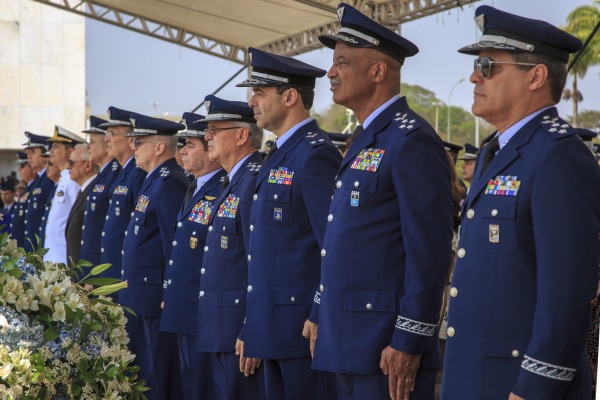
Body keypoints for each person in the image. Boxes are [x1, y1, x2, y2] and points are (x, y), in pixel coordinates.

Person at [441, 6, 600, 400]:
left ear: (536, 76)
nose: (475, 76)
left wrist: (537, 385)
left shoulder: (559, 156)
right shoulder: (497, 152)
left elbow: (567, 291)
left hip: (518, 384)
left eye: (488, 65)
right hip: (473, 372)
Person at [311, 4, 454, 400]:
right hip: (347, 339)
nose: (331, 72)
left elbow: (430, 252)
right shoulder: (367, 137)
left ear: (377, 72)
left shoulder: (411, 141)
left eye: (342, 62)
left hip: (384, 348)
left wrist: (410, 339)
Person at [236, 47, 341, 400]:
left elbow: (333, 245)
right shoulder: (280, 153)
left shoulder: (315, 154)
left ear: (291, 96)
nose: (252, 101)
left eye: (260, 93)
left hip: (302, 330)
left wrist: (318, 311)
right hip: (272, 327)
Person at [194, 95, 265, 400]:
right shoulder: (232, 180)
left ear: (241, 135)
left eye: (215, 129)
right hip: (219, 324)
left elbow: (258, 260)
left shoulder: (252, 180)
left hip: (237, 329)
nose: (207, 136)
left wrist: (252, 326)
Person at [119, 113, 188, 400]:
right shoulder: (152, 180)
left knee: (160, 377)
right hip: (140, 296)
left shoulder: (170, 181)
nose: (133, 147)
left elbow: (174, 246)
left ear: (159, 147)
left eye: (140, 142)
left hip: (154, 296)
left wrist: (168, 292)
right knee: (146, 374)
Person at [159, 112, 224, 400]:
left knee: (203, 386)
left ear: (210, 151)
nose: (182, 152)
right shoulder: (194, 187)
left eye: (191, 146)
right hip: (184, 306)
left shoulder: (222, 187)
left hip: (202, 309)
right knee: (189, 386)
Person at [99, 107, 146, 282]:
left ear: (130, 140)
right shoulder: (122, 171)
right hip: (112, 270)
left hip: (123, 274)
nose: (107, 140)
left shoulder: (137, 172)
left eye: (112, 133)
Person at [79, 116, 121, 266]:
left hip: (101, 265)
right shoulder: (103, 174)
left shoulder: (115, 174)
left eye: (91, 142)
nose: (88, 146)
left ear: (105, 144)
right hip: (91, 264)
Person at [43, 126, 86, 264]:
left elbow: (78, 218)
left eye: (56, 146)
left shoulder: (72, 181)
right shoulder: (63, 179)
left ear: (69, 152)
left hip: (64, 260)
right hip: (53, 259)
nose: (51, 151)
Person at [65, 144, 99, 264]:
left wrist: (90, 276)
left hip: (86, 275)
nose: (67, 167)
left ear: (88, 165)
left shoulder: (95, 192)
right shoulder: (84, 191)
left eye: (71, 163)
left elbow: (94, 238)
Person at [23, 132, 54, 251]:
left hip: (40, 249)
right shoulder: (40, 180)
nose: (29, 157)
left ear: (45, 154)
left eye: (33, 152)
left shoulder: (49, 180)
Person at [10, 153, 36, 245]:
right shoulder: (29, 188)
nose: (19, 170)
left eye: (22, 166)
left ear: (31, 167)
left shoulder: (35, 187)